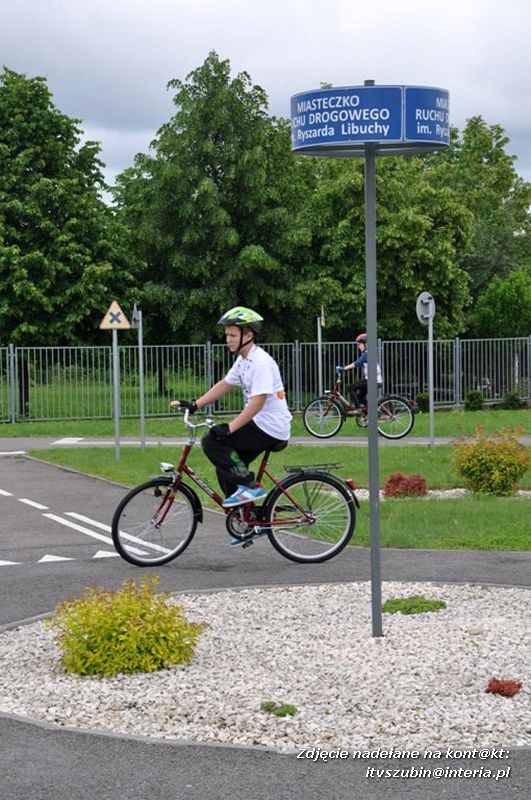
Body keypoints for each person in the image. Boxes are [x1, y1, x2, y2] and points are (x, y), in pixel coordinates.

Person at [171, 306, 292, 510]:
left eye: (232, 335)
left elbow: (257, 403)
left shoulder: (261, 363)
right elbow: (225, 384)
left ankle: (251, 486)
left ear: (248, 335)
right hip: (260, 424)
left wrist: (230, 428)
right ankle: (245, 519)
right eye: (227, 335)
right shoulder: (243, 360)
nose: (228, 339)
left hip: (270, 427)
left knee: (212, 441)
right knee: (225, 466)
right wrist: (195, 405)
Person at [337, 332, 382, 414]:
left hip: (373, 380)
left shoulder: (367, 354)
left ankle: (358, 409)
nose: (358, 347)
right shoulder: (367, 353)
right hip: (371, 379)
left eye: (359, 345)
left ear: (366, 344)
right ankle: (369, 410)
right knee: (360, 397)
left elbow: (356, 363)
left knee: (351, 388)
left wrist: (343, 368)